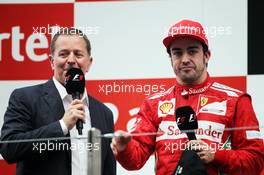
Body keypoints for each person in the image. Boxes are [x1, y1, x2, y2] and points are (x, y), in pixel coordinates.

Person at [111, 20, 264, 175]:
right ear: (170, 59)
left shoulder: (236, 100)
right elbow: (135, 160)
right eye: (177, 52)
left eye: (192, 51)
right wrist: (124, 148)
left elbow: (256, 161)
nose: (184, 59)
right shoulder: (154, 103)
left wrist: (217, 155)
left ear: (206, 55)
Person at [0, 27, 116, 175]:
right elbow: (9, 148)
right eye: (64, 54)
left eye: (78, 54)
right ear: (51, 61)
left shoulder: (104, 113)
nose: (71, 60)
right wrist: (62, 126)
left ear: (89, 63)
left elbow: (108, 169)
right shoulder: (25, 98)